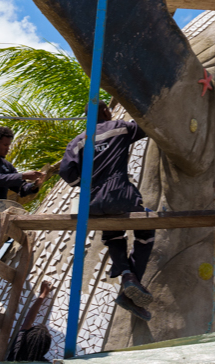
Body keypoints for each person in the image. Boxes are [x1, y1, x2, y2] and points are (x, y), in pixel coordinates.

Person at [60, 102, 154, 322]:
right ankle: (132, 281)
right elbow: (146, 125)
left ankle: (127, 277)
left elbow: (66, 171)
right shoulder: (120, 127)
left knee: (113, 235)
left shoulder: (78, 142)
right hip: (120, 195)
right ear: (105, 111)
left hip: (92, 201)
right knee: (146, 231)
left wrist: (83, 182)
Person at [8, 280, 53, 362]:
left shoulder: (17, 351)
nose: (51, 336)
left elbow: (28, 320)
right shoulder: (17, 350)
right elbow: (28, 321)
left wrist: (42, 295)